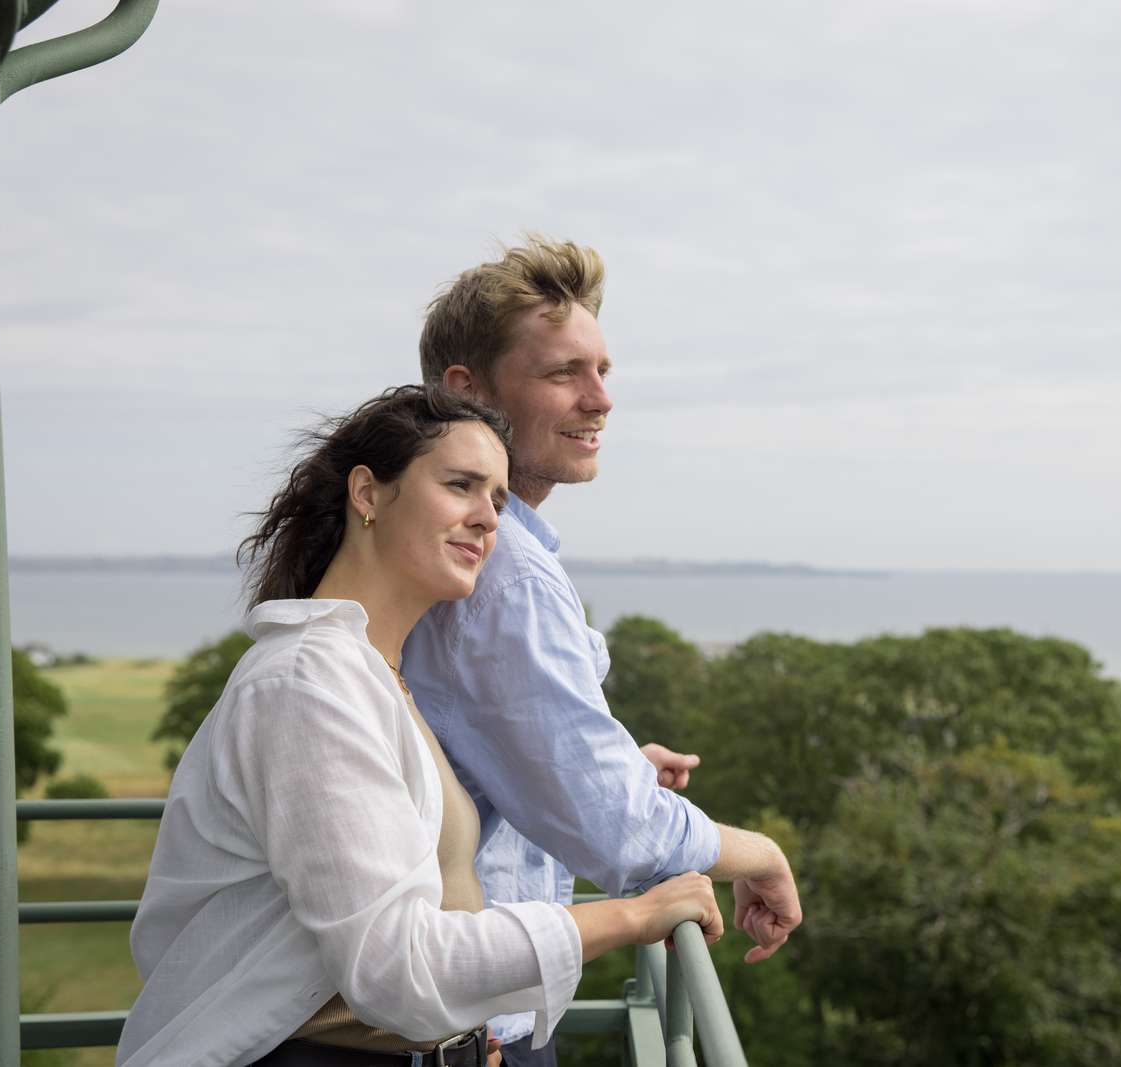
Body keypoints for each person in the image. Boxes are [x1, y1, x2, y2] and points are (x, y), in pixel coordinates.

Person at [118, 386, 722, 1067]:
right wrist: (633, 916)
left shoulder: (377, 675)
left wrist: (466, 1042)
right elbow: (395, 966)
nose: (487, 519)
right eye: (461, 485)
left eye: (496, 499)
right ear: (368, 494)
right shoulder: (307, 685)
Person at [403, 238, 803, 1066]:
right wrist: (760, 851)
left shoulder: (461, 545)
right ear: (467, 392)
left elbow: (470, 745)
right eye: (563, 374)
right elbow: (620, 830)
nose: (600, 399)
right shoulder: (505, 566)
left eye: (604, 370)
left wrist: (603, 761)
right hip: (466, 1030)